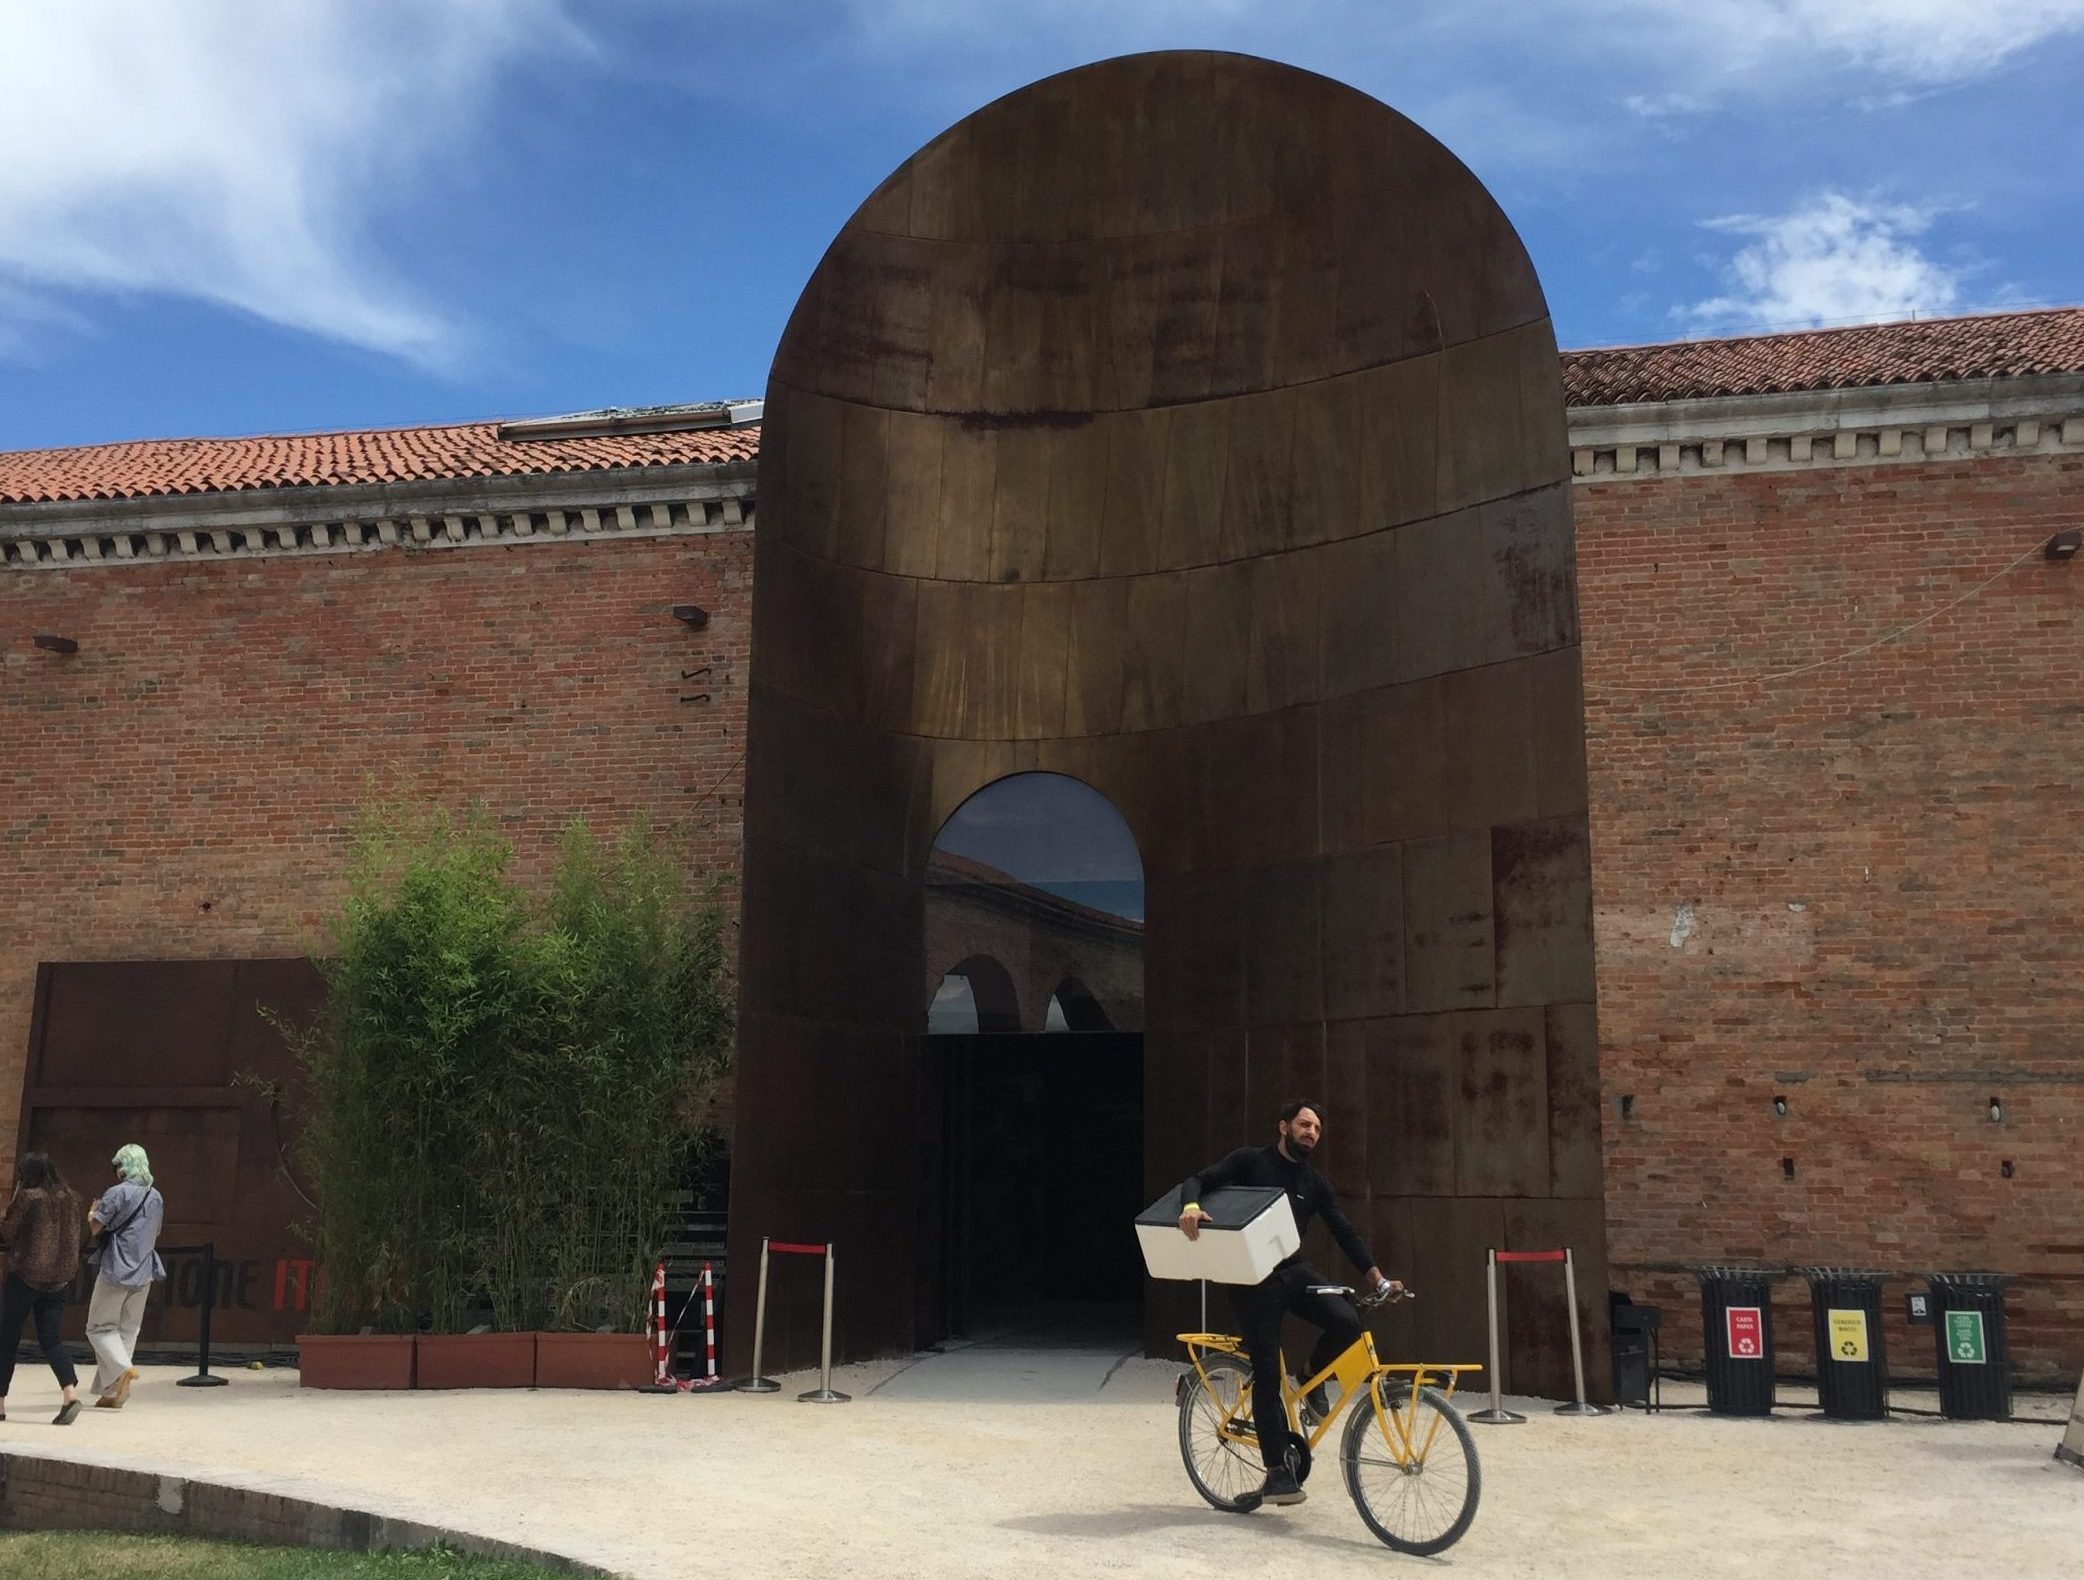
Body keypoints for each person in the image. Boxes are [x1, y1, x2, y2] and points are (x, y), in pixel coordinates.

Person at [1178, 1099, 1399, 1506]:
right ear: (1283, 1127)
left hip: (1294, 1271)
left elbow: (1344, 1233)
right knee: (1265, 1371)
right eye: (1303, 1124)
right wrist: (1191, 1206)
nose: (1310, 1132)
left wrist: (1378, 1278)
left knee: (1347, 1321)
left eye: (1316, 1127)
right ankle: (1277, 1473)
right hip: (1251, 1279)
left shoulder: (1314, 1182)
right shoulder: (1250, 1161)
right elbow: (1197, 1180)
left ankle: (1308, 1374)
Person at [0, 1152, 86, 1424]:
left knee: (6, 1340)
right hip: (59, 1280)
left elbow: (8, 1232)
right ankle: (70, 1393)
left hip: (25, 1276)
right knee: (51, 1338)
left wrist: (14, 1200)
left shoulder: (29, 1197)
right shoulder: (71, 1199)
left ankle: (0, 1403)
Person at [85, 1142, 164, 1409]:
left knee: (99, 1327)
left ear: (124, 1166)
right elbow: (155, 1233)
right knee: (127, 1330)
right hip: (145, 1269)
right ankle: (113, 1393)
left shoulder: (116, 1193)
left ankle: (122, 1369)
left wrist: (92, 1213)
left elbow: (96, 1228)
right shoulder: (156, 1196)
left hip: (116, 1268)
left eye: (117, 1165)